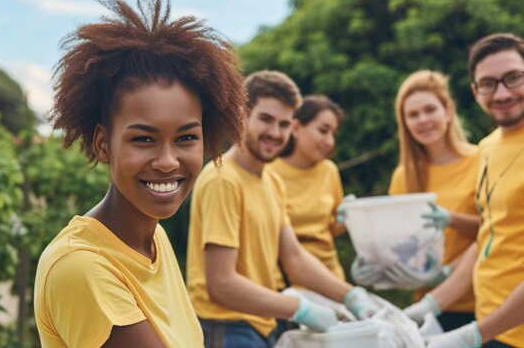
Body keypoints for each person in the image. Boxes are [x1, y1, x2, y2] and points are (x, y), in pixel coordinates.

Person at [33, 0, 246, 347]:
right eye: (144, 139)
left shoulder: (152, 239)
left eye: (186, 137)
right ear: (104, 144)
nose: (167, 161)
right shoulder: (82, 267)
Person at [186, 70, 380, 348]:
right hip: (226, 329)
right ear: (242, 114)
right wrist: (299, 309)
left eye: (284, 124)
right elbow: (221, 284)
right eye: (266, 119)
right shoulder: (222, 179)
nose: (275, 133)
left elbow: (294, 257)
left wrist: (351, 296)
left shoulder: (272, 181)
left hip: (262, 325)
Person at [355, 70, 482, 331]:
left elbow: (497, 230)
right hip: (427, 312)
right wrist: (372, 261)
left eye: (429, 109)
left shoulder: (481, 161)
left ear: (447, 111)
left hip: (481, 303)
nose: (422, 120)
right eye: (412, 114)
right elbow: (399, 246)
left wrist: (452, 220)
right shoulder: (404, 177)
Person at [423, 32, 524, 348]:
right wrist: (431, 303)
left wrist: (474, 334)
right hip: (491, 324)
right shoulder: (487, 147)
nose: (502, 93)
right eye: (488, 84)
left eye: (513, 78)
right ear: (475, 92)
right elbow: (489, 237)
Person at [268, 95, 348, 281]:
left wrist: (351, 217)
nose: (329, 141)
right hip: (289, 281)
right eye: (323, 130)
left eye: (333, 134)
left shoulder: (329, 171)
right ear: (295, 128)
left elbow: (332, 228)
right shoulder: (269, 173)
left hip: (331, 275)